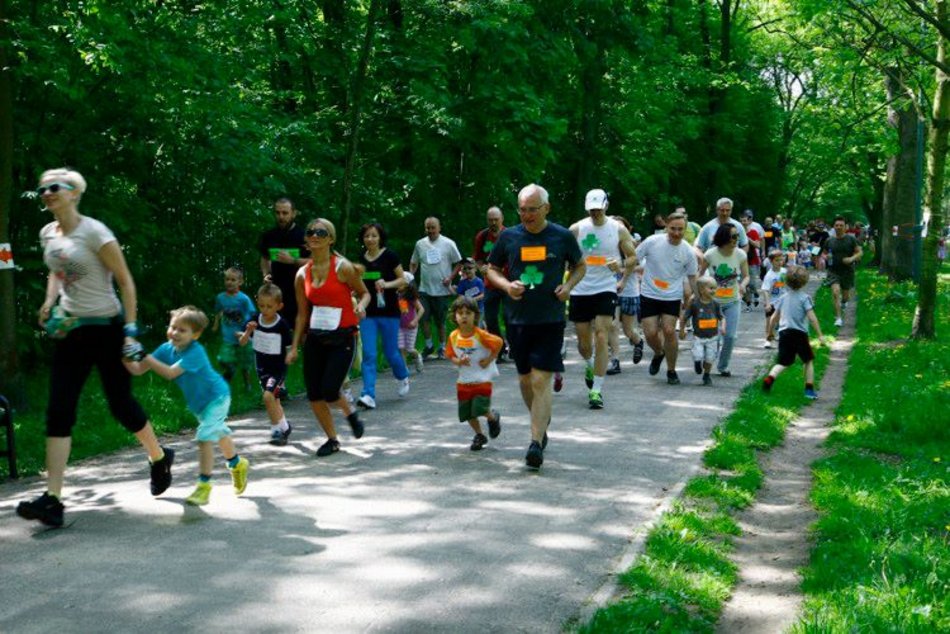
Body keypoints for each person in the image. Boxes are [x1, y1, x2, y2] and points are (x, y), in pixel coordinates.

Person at [16, 168, 174, 528]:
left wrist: (131, 333)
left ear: (74, 193)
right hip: (72, 331)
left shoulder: (95, 232)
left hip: (108, 329)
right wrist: (49, 301)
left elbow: (125, 281)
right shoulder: (47, 234)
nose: (47, 193)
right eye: (42, 189)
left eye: (55, 187)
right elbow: (58, 271)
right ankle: (53, 500)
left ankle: (158, 456)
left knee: (121, 405)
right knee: (59, 410)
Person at [487, 184, 585, 469]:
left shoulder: (562, 236)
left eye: (532, 209)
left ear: (546, 208)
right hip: (517, 318)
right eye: (522, 210)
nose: (527, 215)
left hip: (550, 318)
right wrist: (507, 285)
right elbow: (491, 269)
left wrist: (568, 286)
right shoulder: (508, 237)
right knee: (525, 381)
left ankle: (534, 443)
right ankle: (541, 421)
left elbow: (580, 266)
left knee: (541, 380)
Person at [124, 306, 249, 506]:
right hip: (200, 405)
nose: (175, 333)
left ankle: (204, 486)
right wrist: (125, 352)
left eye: (182, 330)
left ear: (196, 335)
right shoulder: (166, 349)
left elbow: (170, 373)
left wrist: (143, 354)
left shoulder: (195, 352)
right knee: (219, 432)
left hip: (217, 397)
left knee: (204, 436)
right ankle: (237, 463)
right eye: (173, 327)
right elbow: (137, 369)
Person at [286, 218, 369, 457]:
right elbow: (302, 314)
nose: (314, 235)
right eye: (310, 231)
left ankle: (350, 413)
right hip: (316, 337)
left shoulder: (342, 267)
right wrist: (293, 347)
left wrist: (360, 307)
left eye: (321, 232)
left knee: (330, 389)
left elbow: (364, 293)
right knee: (314, 393)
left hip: (343, 337)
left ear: (330, 239)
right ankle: (332, 439)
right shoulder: (302, 274)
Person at [569, 189, 636, 409]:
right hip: (580, 288)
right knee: (583, 343)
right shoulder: (577, 229)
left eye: (599, 209)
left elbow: (633, 257)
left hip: (605, 287)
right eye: (592, 209)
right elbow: (563, 257)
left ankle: (596, 390)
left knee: (601, 334)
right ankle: (589, 364)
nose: (595, 213)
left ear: (606, 206)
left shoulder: (618, 229)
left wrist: (622, 265)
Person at [635, 211, 699, 385]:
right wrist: (621, 270)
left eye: (680, 229)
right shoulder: (651, 242)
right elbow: (634, 258)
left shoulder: (687, 250)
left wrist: (698, 297)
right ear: (666, 227)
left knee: (670, 331)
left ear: (685, 230)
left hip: (671, 295)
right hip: (649, 293)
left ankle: (671, 370)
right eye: (673, 229)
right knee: (650, 333)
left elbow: (693, 277)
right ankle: (658, 353)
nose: (676, 233)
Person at [356, 222, 411, 410]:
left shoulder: (390, 256)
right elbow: (357, 285)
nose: (370, 239)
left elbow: (403, 280)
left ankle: (403, 376)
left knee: (391, 352)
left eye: (374, 235)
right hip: (368, 313)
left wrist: (386, 284)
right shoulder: (360, 260)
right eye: (367, 236)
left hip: (389, 312)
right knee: (369, 354)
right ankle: (368, 394)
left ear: (380, 238)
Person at [237, 283, 293, 445]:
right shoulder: (255, 319)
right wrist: (248, 331)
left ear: (279, 306)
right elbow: (242, 342)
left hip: (277, 368)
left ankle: (276, 431)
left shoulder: (282, 324)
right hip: (261, 367)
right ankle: (285, 426)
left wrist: (290, 355)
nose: (265, 310)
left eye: (269, 306)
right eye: (262, 305)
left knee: (268, 396)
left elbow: (289, 346)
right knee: (274, 401)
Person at [445, 296, 503, 451]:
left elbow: (498, 343)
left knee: (480, 408)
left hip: (482, 379)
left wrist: (489, 359)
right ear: (455, 316)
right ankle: (479, 435)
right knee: (467, 413)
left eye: (468, 313)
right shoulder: (453, 336)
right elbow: (450, 354)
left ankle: (493, 417)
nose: (464, 316)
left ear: (475, 316)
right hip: (464, 381)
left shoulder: (480, 335)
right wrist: (458, 361)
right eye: (460, 313)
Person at [762, 265, 825, 399]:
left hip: (784, 333)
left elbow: (773, 318)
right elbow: (812, 318)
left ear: (787, 281)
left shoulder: (783, 297)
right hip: (800, 334)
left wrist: (769, 333)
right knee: (808, 361)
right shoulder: (805, 298)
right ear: (805, 281)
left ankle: (770, 378)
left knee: (783, 362)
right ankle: (809, 390)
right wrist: (820, 335)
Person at [410, 217, 462, 359]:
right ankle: (428, 346)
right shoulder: (420, 244)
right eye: (428, 228)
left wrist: (450, 278)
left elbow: (459, 263)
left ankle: (442, 347)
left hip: (441, 291)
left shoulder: (448, 243)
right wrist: (410, 277)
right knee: (423, 319)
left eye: (433, 227)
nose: (430, 230)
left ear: (439, 228)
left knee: (440, 321)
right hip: (424, 289)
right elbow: (414, 262)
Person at [702, 223, 750, 377]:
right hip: (712, 303)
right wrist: (699, 293)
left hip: (732, 301)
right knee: (711, 336)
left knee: (730, 336)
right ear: (724, 237)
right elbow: (699, 275)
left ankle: (723, 366)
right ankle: (707, 360)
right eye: (733, 236)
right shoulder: (710, 254)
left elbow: (747, 275)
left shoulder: (741, 255)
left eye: (737, 236)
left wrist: (742, 284)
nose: (737, 239)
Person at [259, 197, 310, 324]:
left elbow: (315, 262)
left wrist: (293, 261)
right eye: (277, 213)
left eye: (285, 213)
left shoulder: (304, 236)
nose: (281, 217)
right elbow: (265, 258)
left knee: (297, 333)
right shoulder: (269, 236)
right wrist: (266, 274)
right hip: (275, 293)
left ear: (294, 213)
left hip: (299, 292)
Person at [473, 205, 508, 358]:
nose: (493, 222)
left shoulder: (510, 235)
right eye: (490, 220)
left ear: (502, 219)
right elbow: (478, 259)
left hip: (508, 283)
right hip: (490, 284)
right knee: (491, 318)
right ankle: (499, 349)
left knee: (510, 317)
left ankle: (514, 347)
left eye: (496, 219)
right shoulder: (482, 236)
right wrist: (481, 268)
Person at [212, 266, 256, 387]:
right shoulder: (220, 298)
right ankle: (229, 372)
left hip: (243, 337)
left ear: (240, 282)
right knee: (223, 359)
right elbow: (218, 312)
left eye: (233, 280)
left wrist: (246, 330)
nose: (229, 282)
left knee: (245, 362)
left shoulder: (244, 299)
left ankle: (247, 383)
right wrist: (215, 324)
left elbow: (252, 314)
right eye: (227, 279)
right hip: (228, 337)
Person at [611, 216, 645, 366]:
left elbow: (640, 266)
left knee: (628, 330)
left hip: (629, 291)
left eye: (620, 227)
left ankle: (638, 342)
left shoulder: (632, 244)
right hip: (610, 290)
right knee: (612, 325)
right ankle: (615, 360)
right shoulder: (607, 245)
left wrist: (621, 271)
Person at [679, 276, 726, 386]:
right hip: (698, 337)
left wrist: (723, 327)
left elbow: (722, 317)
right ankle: (697, 363)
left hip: (713, 337)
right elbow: (684, 317)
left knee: (710, 358)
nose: (714, 290)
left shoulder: (715, 304)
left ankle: (707, 375)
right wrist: (682, 330)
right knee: (698, 355)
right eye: (710, 288)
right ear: (701, 290)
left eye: (715, 288)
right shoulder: (695, 304)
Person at [822, 215, 863, 327]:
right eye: (836, 225)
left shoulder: (851, 239)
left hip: (847, 271)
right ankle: (838, 318)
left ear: (845, 227)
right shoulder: (829, 240)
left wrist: (851, 259)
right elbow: (824, 253)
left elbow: (860, 252)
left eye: (841, 225)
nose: (839, 227)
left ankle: (844, 303)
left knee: (845, 295)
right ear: (833, 227)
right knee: (835, 293)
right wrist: (825, 257)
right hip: (833, 270)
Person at [398, 273, 426, 373]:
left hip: (411, 326)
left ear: (407, 283)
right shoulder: (396, 295)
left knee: (409, 348)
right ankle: (404, 370)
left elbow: (421, 309)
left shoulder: (411, 296)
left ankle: (417, 356)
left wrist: (415, 321)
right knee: (401, 347)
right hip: (399, 326)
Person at [761, 249, 788, 348]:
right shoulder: (769, 275)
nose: (780, 262)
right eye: (777, 260)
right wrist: (767, 304)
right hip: (772, 302)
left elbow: (786, 285)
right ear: (771, 261)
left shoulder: (784, 271)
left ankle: (779, 336)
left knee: (781, 320)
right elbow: (765, 290)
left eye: (781, 260)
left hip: (783, 300)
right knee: (769, 321)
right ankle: (768, 339)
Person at [740, 211, 763, 311]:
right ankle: (748, 304)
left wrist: (747, 238)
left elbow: (758, 245)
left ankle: (756, 294)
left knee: (752, 283)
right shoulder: (737, 233)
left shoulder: (753, 232)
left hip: (752, 260)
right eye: (741, 221)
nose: (743, 223)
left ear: (749, 221)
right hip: (741, 261)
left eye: (745, 221)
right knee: (743, 284)